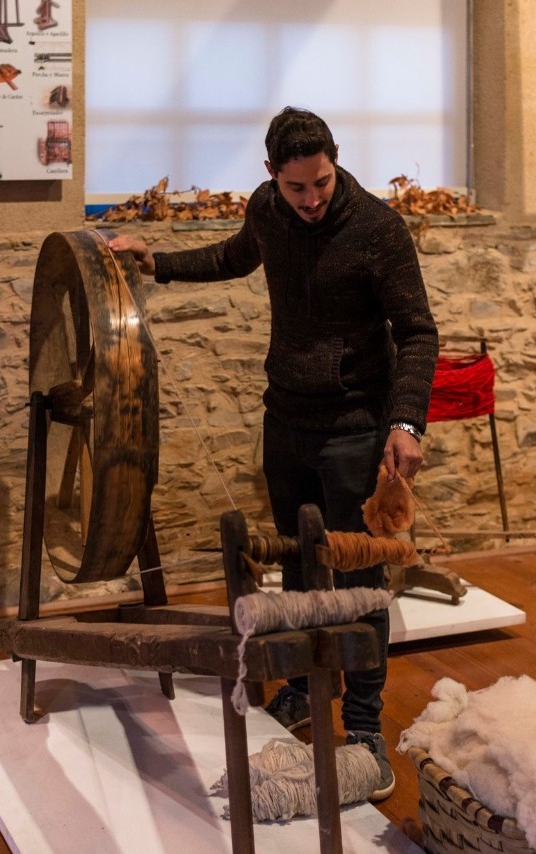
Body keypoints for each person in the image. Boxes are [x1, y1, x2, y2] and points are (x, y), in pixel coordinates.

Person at [109, 107, 438, 802]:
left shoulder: (379, 230)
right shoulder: (267, 208)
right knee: (294, 562)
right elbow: (233, 256)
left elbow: (417, 333)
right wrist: (156, 263)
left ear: (335, 161)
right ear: (270, 178)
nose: (311, 200)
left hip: (355, 426)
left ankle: (365, 731)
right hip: (285, 417)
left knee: (362, 584)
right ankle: (297, 688)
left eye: (320, 182)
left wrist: (406, 420)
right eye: (296, 188)